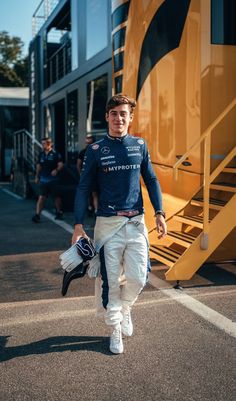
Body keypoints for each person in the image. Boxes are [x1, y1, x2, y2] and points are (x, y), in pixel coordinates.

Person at [72, 95, 167, 354]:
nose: (118, 118)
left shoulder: (140, 145)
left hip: (136, 221)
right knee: (110, 281)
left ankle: (125, 309)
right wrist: (78, 225)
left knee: (138, 277)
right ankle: (114, 329)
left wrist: (159, 211)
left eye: (123, 113)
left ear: (131, 117)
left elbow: (152, 180)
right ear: (107, 117)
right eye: (113, 113)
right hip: (107, 223)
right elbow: (83, 188)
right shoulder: (95, 151)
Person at [32, 137, 64, 223]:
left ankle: (59, 212)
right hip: (43, 180)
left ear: (50, 144)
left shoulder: (56, 154)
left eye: (44, 143)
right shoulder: (41, 154)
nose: (42, 145)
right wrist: (36, 176)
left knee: (56, 197)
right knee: (41, 197)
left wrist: (56, 170)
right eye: (42, 143)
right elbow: (39, 166)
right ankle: (37, 215)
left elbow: (61, 164)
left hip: (53, 180)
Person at [77, 133, 98, 215]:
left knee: (95, 193)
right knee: (88, 193)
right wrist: (81, 175)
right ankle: (90, 207)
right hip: (86, 176)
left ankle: (96, 210)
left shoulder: (97, 151)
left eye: (90, 143)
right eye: (87, 143)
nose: (88, 145)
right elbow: (78, 164)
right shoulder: (83, 152)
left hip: (95, 176)